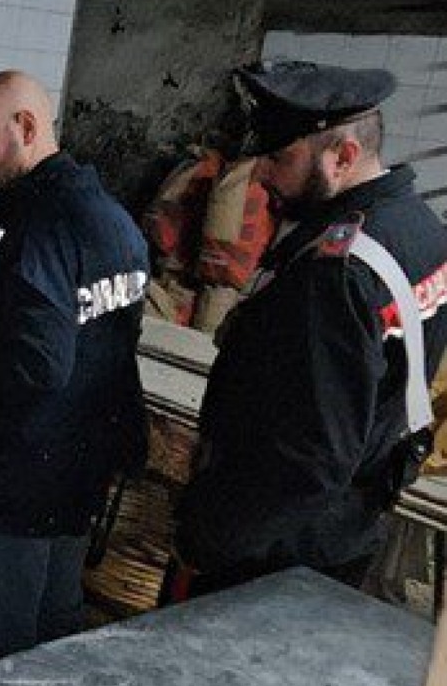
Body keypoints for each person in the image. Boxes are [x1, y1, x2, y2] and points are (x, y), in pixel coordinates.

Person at [172, 60, 447, 595]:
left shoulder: (336, 271)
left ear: (342, 156)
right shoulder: (420, 230)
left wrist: (207, 537)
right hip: (348, 527)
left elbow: (311, 457)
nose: (265, 175)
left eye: (281, 158)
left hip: (273, 550)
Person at [0, 70, 149, 662]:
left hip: (18, 480)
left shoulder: (39, 236)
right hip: (79, 469)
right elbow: (111, 348)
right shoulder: (115, 222)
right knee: (58, 623)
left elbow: (36, 368)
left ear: (25, 127)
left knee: (3, 639)